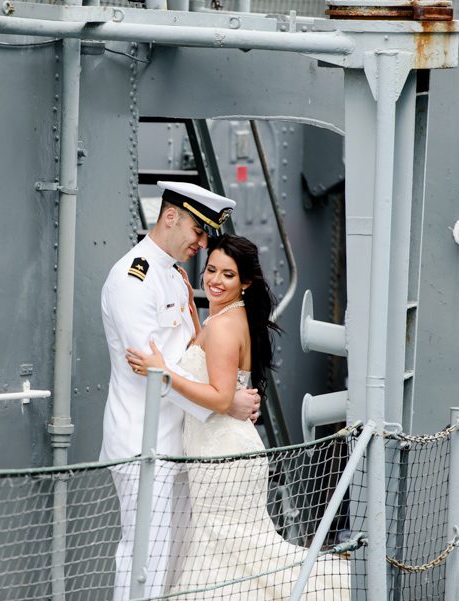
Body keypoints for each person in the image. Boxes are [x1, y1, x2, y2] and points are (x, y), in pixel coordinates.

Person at [126, 234, 350, 600]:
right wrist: (186, 299)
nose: (214, 280)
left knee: (236, 555)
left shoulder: (226, 325)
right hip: (224, 451)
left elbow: (218, 397)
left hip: (221, 457)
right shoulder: (228, 318)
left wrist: (162, 372)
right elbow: (210, 364)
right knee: (236, 558)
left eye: (228, 275)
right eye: (211, 269)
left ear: (245, 282)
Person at [100, 182, 262, 601]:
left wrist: (228, 398)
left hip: (184, 440)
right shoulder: (133, 278)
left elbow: (191, 357)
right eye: (199, 230)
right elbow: (148, 372)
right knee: (143, 562)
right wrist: (224, 405)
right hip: (144, 442)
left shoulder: (172, 275)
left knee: (175, 560)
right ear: (171, 217)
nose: (202, 242)